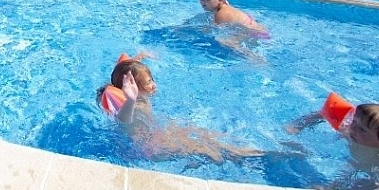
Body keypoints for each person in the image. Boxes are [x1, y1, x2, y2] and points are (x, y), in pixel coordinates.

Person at [97, 52, 259, 163]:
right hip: (150, 148)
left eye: (152, 79)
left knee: (206, 135)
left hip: (157, 132)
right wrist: (131, 100)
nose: (154, 85)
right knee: (208, 151)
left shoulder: (137, 93)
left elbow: (124, 67)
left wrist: (140, 57)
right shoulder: (131, 106)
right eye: (148, 82)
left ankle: (242, 150)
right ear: (132, 87)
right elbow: (123, 120)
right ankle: (249, 158)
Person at [286, 93, 379, 190]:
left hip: (378, 179)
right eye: (354, 122)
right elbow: (325, 113)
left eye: (362, 129)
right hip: (361, 162)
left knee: (363, 187)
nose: (353, 128)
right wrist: (297, 126)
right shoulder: (352, 134)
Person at [193, 0, 267, 33]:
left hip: (255, 33)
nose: (203, 1)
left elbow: (216, 32)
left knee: (225, 42)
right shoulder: (224, 8)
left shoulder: (221, 14)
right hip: (259, 30)